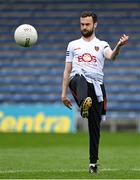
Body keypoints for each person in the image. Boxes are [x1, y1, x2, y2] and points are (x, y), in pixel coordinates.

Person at [61, 11, 129, 173]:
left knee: (94, 127)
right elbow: (67, 70)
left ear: (95, 24)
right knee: (79, 77)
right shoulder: (72, 45)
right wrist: (63, 94)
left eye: (87, 24)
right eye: (82, 24)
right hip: (78, 81)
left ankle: (93, 163)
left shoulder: (102, 44)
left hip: (97, 86)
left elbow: (111, 56)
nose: (84, 27)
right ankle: (84, 103)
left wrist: (118, 46)